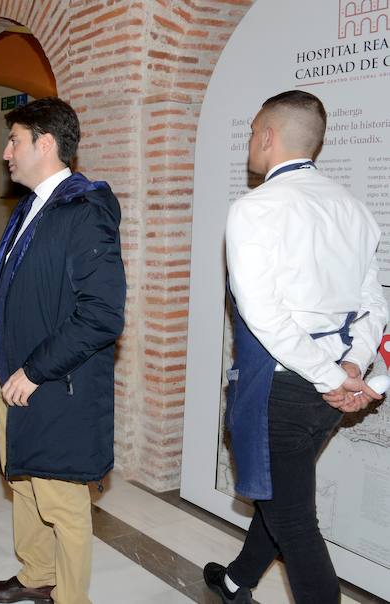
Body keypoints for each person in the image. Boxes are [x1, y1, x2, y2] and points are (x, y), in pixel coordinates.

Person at [202, 91, 388, 604]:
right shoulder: (354, 209)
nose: (249, 143)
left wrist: (332, 376)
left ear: (267, 135)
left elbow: (264, 317)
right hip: (324, 393)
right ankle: (238, 579)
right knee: (282, 491)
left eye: (251, 132)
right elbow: (373, 303)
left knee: (294, 523)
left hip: (281, 390)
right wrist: (351, 365)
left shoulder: (256, 210)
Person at [0, 97, 126, 604]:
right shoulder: (34, 206)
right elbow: (48, 283)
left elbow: (101, 313)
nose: (6, 152)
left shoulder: (84, 210)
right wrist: (0, 285)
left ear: (46, 143)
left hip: (56, 382)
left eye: (14, 140)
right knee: (27, 484)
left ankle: (71, 597)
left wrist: (34, 371)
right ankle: (38, 575)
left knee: (62, 501)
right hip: (18, 376)